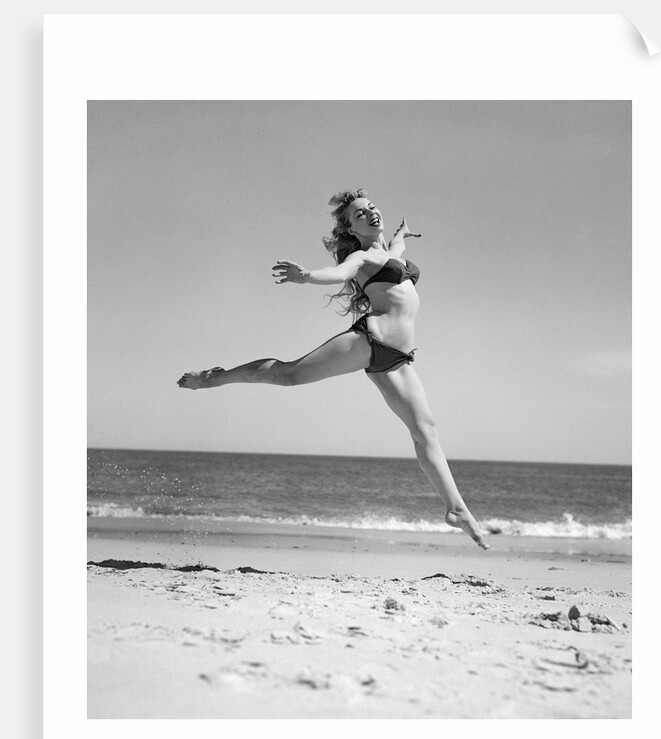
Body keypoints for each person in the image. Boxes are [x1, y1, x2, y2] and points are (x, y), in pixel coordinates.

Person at [177, 189, 488, 550]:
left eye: (371, 208)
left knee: (426, 431)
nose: (370, 214)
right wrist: (306, 275)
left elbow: (396, 251)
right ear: (352, 230)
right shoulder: (359, 256)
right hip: (370, 341)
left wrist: (402, 234)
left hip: (399, 359)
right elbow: (338, 272)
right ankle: (216, 377)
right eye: (360, 215)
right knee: (290, 374)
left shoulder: (388, 253)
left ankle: (456, 509)